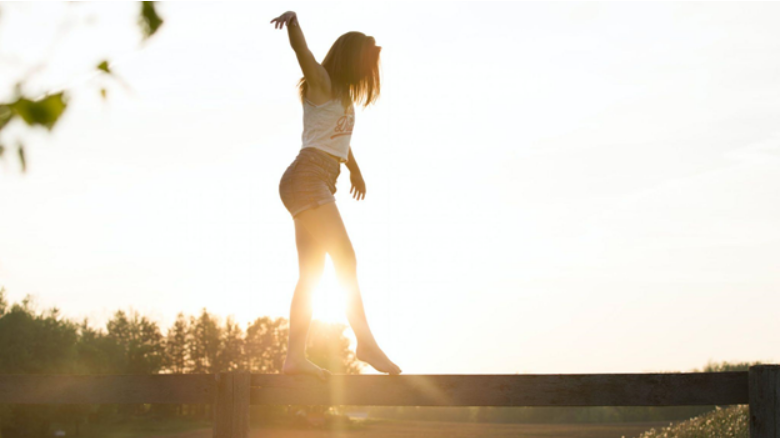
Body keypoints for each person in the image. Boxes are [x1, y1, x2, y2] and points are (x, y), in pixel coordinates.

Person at [271, 11, 402, 380]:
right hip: (307, 177)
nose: (366, 77)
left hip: (316, 181)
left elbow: (338, 139)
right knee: (346, 258)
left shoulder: (342, 96)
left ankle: (294, 358)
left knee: (310, 274)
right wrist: (294, 24)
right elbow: (303, 54)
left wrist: (354, 168)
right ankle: (366, 342)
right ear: (349, 59)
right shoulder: (322, 82)